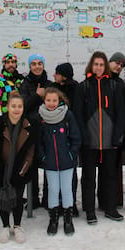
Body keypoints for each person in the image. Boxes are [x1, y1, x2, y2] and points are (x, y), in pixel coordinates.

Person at [75, 51, 125, 224]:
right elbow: (78, 115)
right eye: (95, 64)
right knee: (89, 177)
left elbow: (121, 113)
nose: (98, 67)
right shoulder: (83, 87)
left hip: (109, 141)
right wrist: (84, 137)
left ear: (105, 67)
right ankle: (90, 210)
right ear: (91, 65)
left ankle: (109, 208)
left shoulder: (114, 86)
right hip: (90, 142)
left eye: (101, 64)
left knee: (109, 176)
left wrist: (117, 136)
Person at [0, 92, 38, 244]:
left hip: (19, 169)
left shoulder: (28, 125)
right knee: (2, 197)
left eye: (19, 106)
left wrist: (22, 171)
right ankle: (5, 225)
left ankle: (18, 225)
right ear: (7, 107)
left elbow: (30, 153)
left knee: (18, 198)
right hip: (0, 169)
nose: (16, 109)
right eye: (13, 106)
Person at [37, 87, 81, 235]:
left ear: (59, 100)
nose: (51, 103)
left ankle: (68, 220)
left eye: (54, 100)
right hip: (50, 163)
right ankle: (53, 219)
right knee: (53, 190)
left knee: (67, 189)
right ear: (44, 101)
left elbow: (75, 137)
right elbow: (39, 142)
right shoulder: (41, 117)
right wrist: (43, 157)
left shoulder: (67, 115)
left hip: (66, 162)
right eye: (48, 100)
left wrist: (71, 155)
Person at [19, 54, 52, 209]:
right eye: (34, 64)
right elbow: (22, 106)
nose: (37, 66)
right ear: (29, 66)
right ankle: (33, 198)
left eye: (40, 63)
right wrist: (36, 96)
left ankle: (47, 198)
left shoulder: (50, 83)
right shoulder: (25, 84)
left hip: (48, 131)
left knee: (48, 165)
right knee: (31, 166)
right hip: (31, 131)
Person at [52, 62, 80, 216]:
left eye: (57, 73)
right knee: (56, 171)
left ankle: (71, 203)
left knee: (71, 171)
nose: (54, 75)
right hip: (55, 135)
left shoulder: (75, 89)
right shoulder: (52, 88)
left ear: (63, 75)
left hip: (70, 134)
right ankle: (57, 202)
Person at [108, 52, 125, 208]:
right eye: (116, 63)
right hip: (101, 131)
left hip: (117, 132)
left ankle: (116, 201)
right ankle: (104, 200)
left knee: (116, 168)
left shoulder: (121, 84)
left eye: (121, 65)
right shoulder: (101, 81)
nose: (118, 66)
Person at [0, 53, 24, 119]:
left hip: (20, 121)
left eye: (13, 62)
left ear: (16, 64)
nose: (10, 64)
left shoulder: (20, 82)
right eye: (8, 62)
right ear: (4, 65)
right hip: (5, 121)